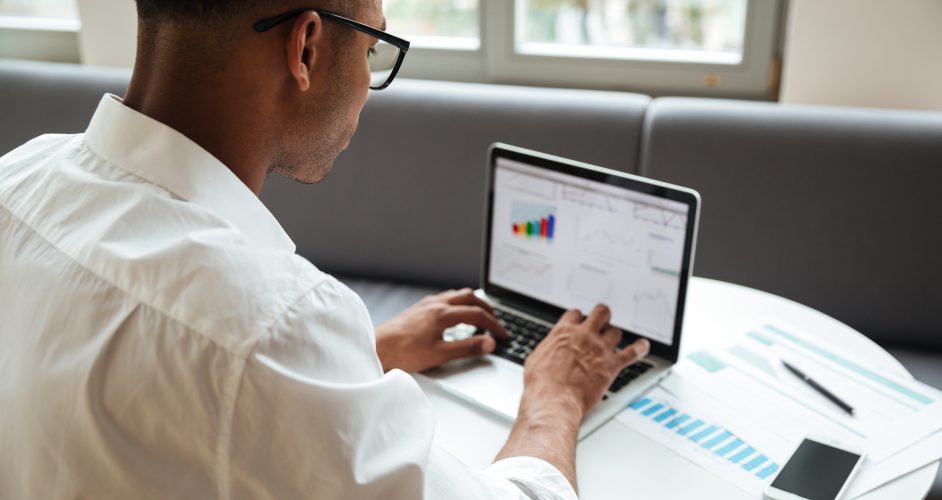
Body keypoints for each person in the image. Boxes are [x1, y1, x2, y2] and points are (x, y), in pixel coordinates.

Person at [0, 0, 651, 498]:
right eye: (372, 49)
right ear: (307, 46)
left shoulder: (17, 180)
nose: (368, 84)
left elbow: (153, 389)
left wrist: (359, 357)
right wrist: (556, 396)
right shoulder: (269, 325)